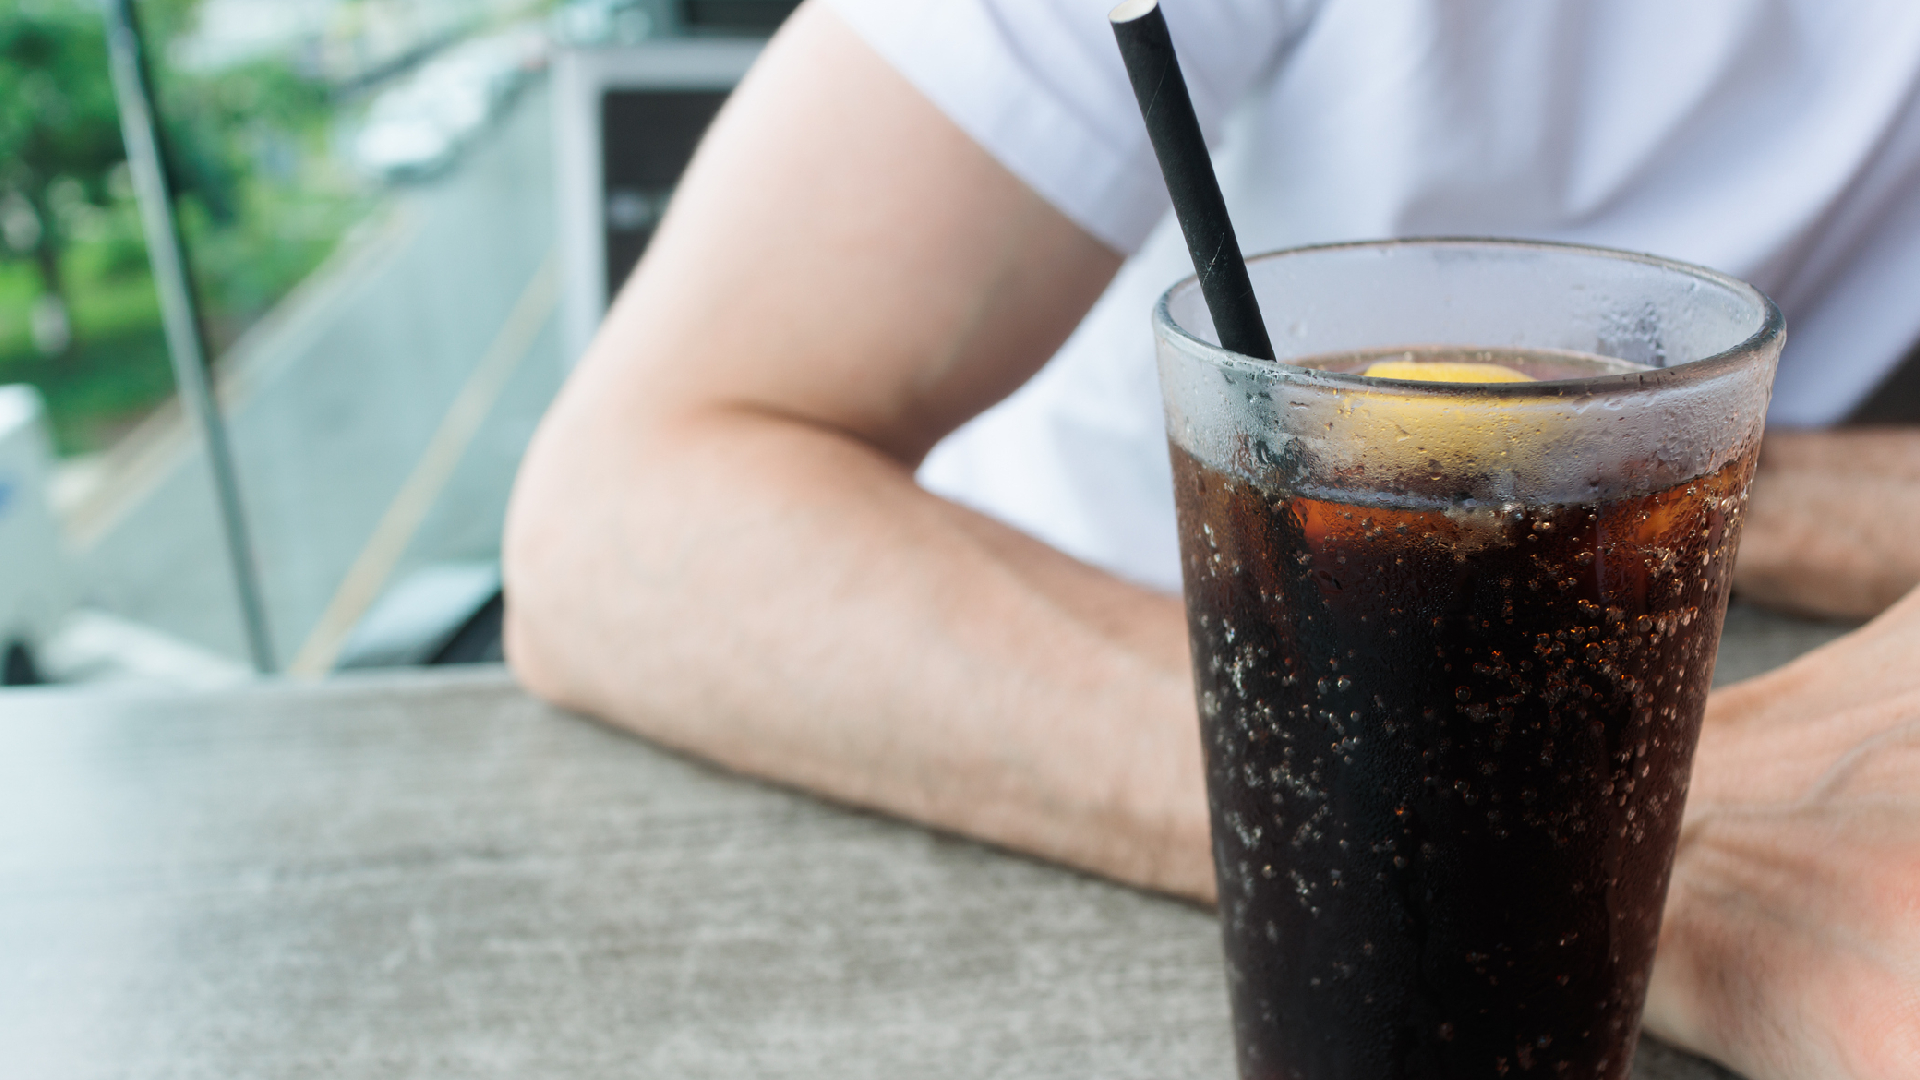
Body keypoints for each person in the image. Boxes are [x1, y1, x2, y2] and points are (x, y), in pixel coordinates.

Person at [502, 2, 1920, 1076]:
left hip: (1631, 688)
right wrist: (1567, 843)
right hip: (1039, 661)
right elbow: (617, 512)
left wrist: (1594, 486)